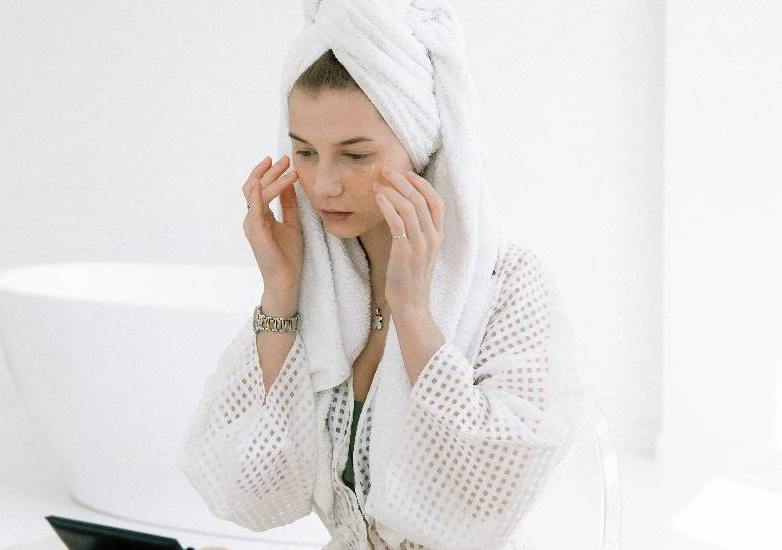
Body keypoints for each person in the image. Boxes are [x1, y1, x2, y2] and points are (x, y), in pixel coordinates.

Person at [178, 2, 584, 549]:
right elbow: (250, 488)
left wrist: (414, 312)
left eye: (355, 155)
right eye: (304, 152)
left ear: (417, 149)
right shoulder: (322, 290)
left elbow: (490, 496)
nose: (323, 185)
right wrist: (279, 296)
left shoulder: (506, 285)